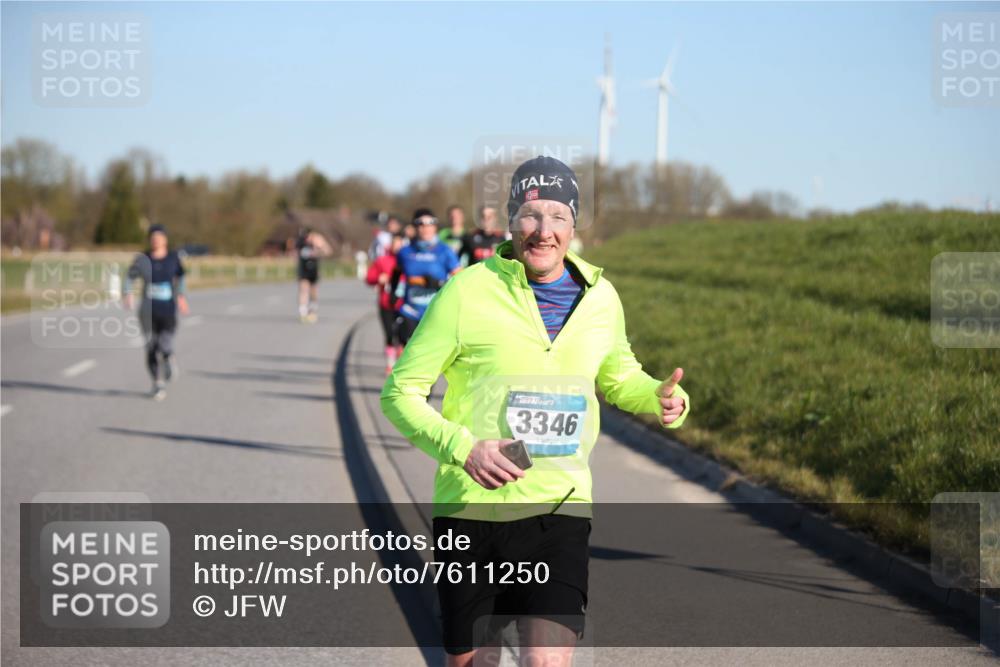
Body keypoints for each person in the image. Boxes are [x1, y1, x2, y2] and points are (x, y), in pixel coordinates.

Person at [381, 156, 690, 665]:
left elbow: (619, 377)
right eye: (531, 214)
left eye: (558, 216)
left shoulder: (601, 298)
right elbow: (400, 393)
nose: (544, 231)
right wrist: (464, 448)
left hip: (558, 509)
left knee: (545, 660)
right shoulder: (465, 292)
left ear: (573, 225)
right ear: (511, 221)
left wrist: (658, 395)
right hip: (472, 509)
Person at [124, 224, 189, 401]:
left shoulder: (173, 258)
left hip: (167, 309)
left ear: (165, 240)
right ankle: (157, 383)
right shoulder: (142, 259)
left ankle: (168, 357)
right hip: (148, 310)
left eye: (159, 237)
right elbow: (129, 276)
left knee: (164, 342)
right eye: (153, 238)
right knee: (151, 347)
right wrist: (128, 293)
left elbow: (180, 277)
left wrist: (181, 296)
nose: (156, 240)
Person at [393, 208, 460, 345]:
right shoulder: (405, 252)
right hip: (411, 311)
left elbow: (460, 280)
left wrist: (439, 283)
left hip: (436, 313)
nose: (426, 228)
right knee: (411, 353)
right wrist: (393, 297)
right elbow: (396, 274)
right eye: (421, 223)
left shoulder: (445, 251)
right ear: (414, 227)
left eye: (430, 223)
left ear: (435, 226)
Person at [366, 233, 405, 374]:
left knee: (403, 335)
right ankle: (390, 363)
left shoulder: (408, 260)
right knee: (389, 334)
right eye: (395, 244)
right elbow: (369, 278)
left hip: (404, 304)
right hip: (386, 303)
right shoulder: (382, 260)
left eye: (400, 245)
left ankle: (401, 363)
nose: (397, 247)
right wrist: (378, 278)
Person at [295, 226, 332, 323]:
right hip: (303, 269)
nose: (306, 238)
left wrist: (320, 246)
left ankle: (313, 309)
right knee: (303, 289)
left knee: (313, 291)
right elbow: (295, 252)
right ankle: (303, 312)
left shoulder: (317, 242)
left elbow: (328, 252)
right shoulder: (300, 242)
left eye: (308, 236)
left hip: (313, 269)